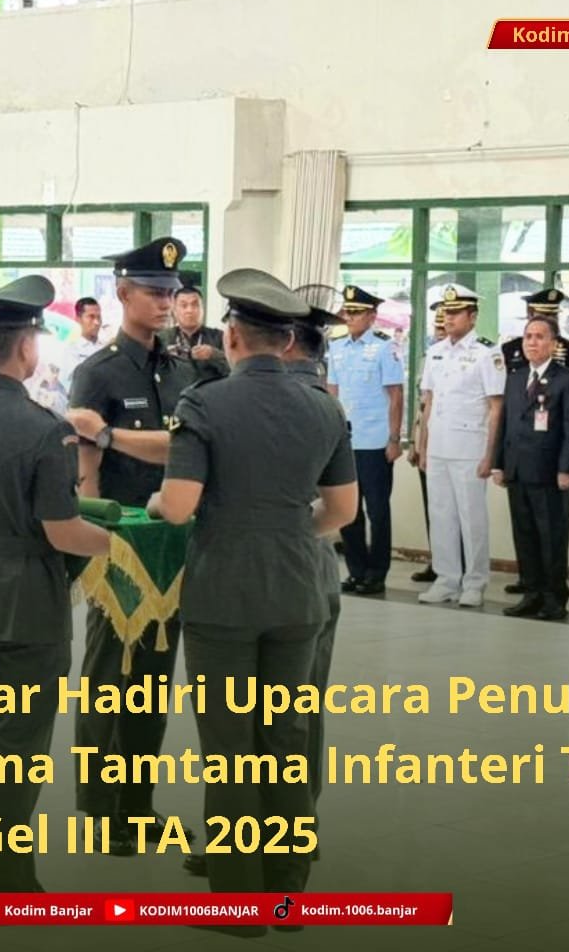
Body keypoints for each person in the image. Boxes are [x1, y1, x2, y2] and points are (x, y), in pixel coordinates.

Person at [147, 267, 358, 903]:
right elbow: (342, 511)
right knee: (286, 738)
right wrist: (286, 530)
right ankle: (287, 890)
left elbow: (179, 506)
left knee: (230, 746)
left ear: (232, 337)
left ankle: (239, 896)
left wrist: (157, 505)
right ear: (288, 341)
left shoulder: (204, 404)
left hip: (225, 594)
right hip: (297, 590)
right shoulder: (325, 407)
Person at [0, 274, 111, 892]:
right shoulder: (44, 429)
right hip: (26, 600)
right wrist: (123, 546)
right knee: (18, 744)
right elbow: (63, 532)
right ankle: (8, 879)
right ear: (26, 346)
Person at [65, 236, 203, 855]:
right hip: (118, 547)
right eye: (153, 291)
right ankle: (101, 812)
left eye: (171, 291)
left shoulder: (182, 370)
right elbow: (86, 471)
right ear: (122, 293)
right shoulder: (99, 371)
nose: (166, 301)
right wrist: (97, 549)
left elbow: (186, 450)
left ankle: (139, 807)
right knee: (107, 682)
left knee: (151, 684)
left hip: (169, 549)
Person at [283, 288, 351, 839]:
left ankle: (269, 832)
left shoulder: (280, 404)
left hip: (281, 566)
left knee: (267, 716)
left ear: (285, 343)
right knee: (303, 705)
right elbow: (341, 510)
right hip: (318, 566)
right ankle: (298, 825)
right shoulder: (326, 402)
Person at [491, 317, 569, 620]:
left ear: (554, 343)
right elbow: (505, 423)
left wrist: (566, 468)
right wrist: (498, 463)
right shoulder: (515, 377)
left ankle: (554, 599)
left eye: (539, 337)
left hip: (548, 472)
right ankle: (531, 593)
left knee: (551, 538)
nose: (532, 342)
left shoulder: (568, 379)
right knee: (525, 536)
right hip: (518, 469)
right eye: (528, 336)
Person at [417, 285, 505, 608]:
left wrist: (490, 455)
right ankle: (446, 579)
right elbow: (429, 401)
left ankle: (475, 582)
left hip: (470, 447)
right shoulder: (436, 351)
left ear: (472, 316)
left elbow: (496, 407)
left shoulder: (487, 353)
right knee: (440, 515)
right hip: (439, 444)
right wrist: (423, 446)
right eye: (446, 312)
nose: (448, 318)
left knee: (472, 518)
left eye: (455, 313)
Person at [325, 284, 404, 595]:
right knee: (349, 510)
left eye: (357, 313)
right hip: (346, 441)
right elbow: (332, 392)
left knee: (378, 510)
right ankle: (356, 570)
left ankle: (377, 572)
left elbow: (395, 395)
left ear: (372, 316)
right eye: (348, 312)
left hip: (375, 441)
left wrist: (394, 438)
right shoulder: (337, 347)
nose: (350, 317)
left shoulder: (385, 347)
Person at [407, 311, 448, 582]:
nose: (440, 332)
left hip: (450, 442)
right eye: (438, 327)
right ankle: (438, 560)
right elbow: (422, 405)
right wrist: (414, 441)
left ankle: (456, 564)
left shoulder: (475, 355)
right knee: (432, 507)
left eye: (444, 327)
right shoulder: (430, 357)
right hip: (426, 439)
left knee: (454, 511)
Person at [161, 273, 228, 376]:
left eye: (195, 305)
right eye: (184, 305)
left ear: (203, 309)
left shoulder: (220, 337)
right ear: (174, 310)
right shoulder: (162, 338)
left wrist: (214, 355)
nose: (190, 310)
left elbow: (236, 370)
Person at [62, 296, 107, 390]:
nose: (97, 322)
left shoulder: (107, 348)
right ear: (78, 319)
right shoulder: (71, 351)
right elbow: (79, 381)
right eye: (91, 317)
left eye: (99, 317)